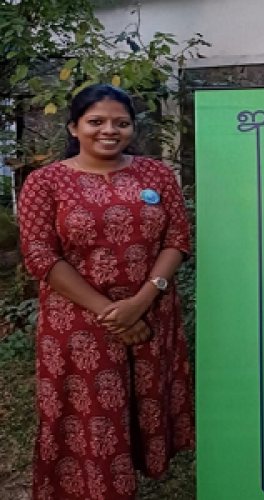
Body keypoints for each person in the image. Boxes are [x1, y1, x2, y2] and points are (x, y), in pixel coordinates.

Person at [18, 84, 195, 500]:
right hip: (78, 323)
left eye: (121, 123)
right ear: (74, 127)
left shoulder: (156, 174)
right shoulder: (45, 182)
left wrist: (141, 302)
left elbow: (178, 239)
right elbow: (40, 256)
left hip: (151, 312)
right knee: (90, 419)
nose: (109, 131)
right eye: (96, 121)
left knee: (141, 409)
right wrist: (113, 314)